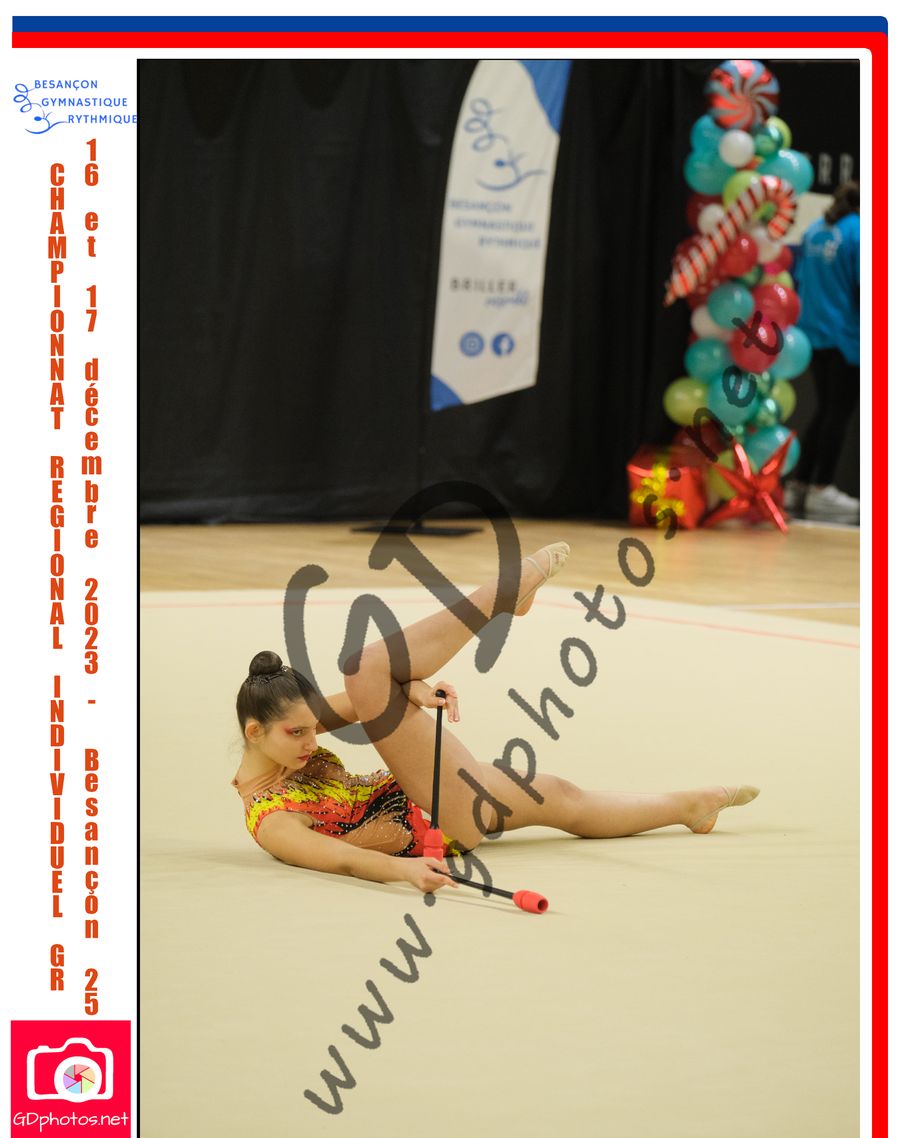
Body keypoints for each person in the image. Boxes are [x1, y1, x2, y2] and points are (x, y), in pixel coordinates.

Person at [231, 543, 759, 894]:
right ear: (255, 733)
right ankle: (497, 600)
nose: (312, 738)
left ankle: (691, 806)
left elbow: (365, 703)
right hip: (435, 820)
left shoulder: (286, 741)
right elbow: (338, 859)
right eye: (298, 733)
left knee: (562, 795)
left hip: (429, 791)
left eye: (311, 727)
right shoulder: (272, 821)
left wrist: (415, 690)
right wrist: (404, 871)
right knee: (364, 667)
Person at [784, 181, 860, 523]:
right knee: (837, 412)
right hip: (845, 335)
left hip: (812, 333)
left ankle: (801, 483)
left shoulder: (815, 230)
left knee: (825, 409)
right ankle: (822, 486)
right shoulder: (859, 232)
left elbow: (800, 276)